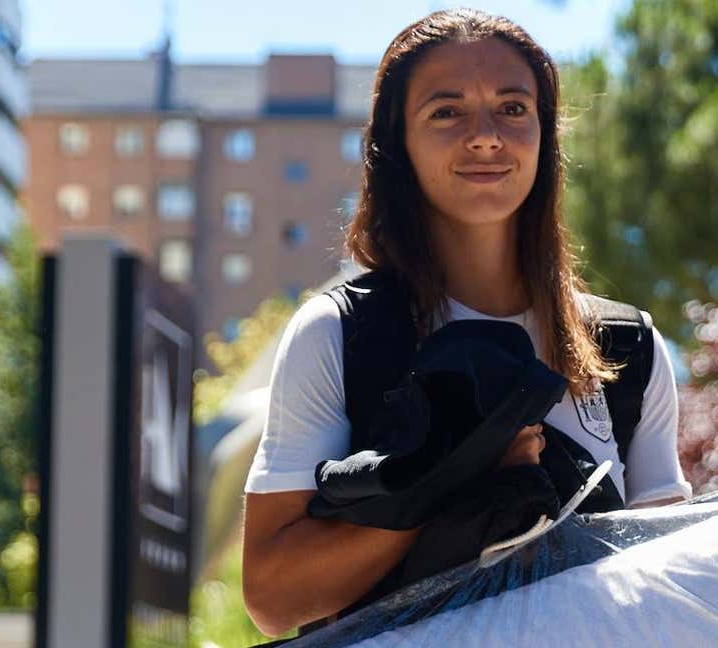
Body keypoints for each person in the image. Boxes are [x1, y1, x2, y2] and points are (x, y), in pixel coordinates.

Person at [240, 8, 692, 638]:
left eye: (513, 108)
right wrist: (449, 480)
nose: (485, 136)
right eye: (446, 112)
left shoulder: (627, 347)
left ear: (545, 136)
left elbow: (669, 592)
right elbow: (272, 598)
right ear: (397, 144)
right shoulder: (338, 335)